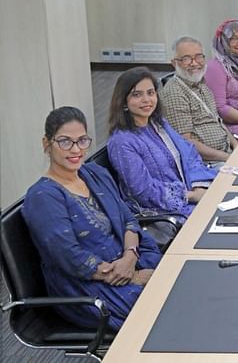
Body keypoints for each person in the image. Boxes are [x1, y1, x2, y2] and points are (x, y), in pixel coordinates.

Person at [23, 106, 161, 331]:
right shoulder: (43, 197)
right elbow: (71, 258)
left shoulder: (95, 174)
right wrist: (133, 276)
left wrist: (130, 256)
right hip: (89, 289)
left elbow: (128, 219)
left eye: (82, 140)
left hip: (127, 264)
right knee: (168, 307)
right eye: (65, 141)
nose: (75, 149)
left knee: (182, 280)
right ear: (46, 144)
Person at [107, 67, 217, 218]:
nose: (146, 100)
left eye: (150, 93)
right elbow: (143, 191)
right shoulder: (122, 142)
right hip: (164, 212)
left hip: (194, 195)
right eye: (137, 95)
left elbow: (189, 153)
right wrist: (190, 196)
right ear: (123, 102)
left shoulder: (159, 124)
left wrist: (199, 186)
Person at [160, 36, 237, 163]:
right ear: (174, 63)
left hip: (226, 151)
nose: (194, 63)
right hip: (208, 162)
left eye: (198, 57)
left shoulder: (200, 84)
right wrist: (228, 158)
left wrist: (236, 145)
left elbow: (217, 122)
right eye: (186, 58)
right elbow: (185, 142)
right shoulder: (174, 92)